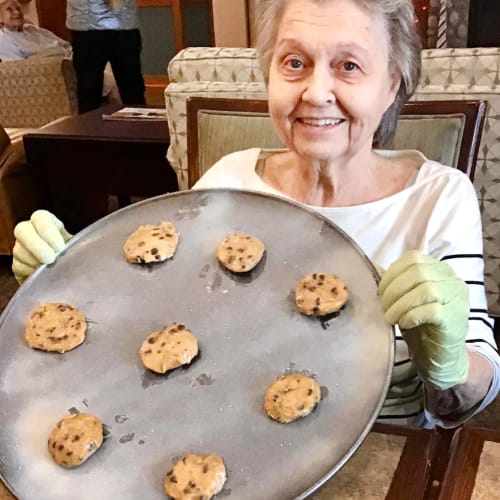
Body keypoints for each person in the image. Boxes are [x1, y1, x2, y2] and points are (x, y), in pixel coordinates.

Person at [11, 0, 500, 428]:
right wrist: (70, 282)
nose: (316, 91)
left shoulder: (438, 199)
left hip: (382, 451)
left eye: (349, 65)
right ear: (269, 73)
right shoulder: (229, 181)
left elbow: (461, 405)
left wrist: (452, 365)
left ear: (392, 84)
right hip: (228, 443)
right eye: (294, 62)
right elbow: (151, 320)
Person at [0, 0, 120, 103]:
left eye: (18, 8)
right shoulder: (4, 39)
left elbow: (65, 44)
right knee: (111, 82)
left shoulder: (33, 29)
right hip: (51, 73)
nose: (17, 12)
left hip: (70, 60)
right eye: (9, 10)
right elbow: (17, 69)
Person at [66, 0, 146, 113]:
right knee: (88, 92)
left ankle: (139, 128)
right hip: (86, 27)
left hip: (124, 26)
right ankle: (88, 129)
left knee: (133, 91)